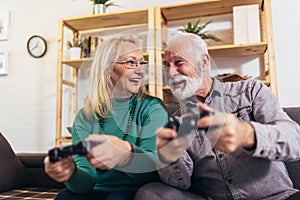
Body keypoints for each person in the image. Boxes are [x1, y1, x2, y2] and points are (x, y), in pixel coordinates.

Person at [134, 32, 300, 200]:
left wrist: (247, 134)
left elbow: (295, 141)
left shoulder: (250, 91)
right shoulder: (176, 123)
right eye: (166, 66)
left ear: (204, 62)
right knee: (150, 192)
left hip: (275, 197)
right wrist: (167, 155)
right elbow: (180, 183)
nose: (171, 73)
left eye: (179, 63)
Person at [44, 35, 168, 200]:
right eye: (131, 62)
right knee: (65, 197)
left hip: (137, 190)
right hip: (96, 190)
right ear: (108, 69)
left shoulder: (152, 108)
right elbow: (85, 183)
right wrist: (71, 173)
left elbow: (155, 170)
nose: (140, 70)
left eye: (142, 62)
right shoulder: (85, 117)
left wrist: (126, 155)